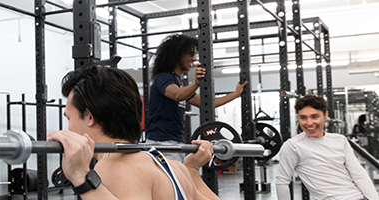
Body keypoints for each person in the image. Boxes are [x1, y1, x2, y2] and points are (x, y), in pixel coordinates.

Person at [48, 65, 220, 199]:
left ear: (90, 117)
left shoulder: (115, 167)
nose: (69, 127)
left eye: (69, 118)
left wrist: (80, 177)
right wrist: (191, 169)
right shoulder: (174, 167)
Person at [145, 34, 247, 162]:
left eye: (195, 54)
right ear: (176, 55)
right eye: (190, 54)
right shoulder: (163, 77)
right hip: (161, 143)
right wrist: (196, 83)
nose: (194, 59)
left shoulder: (180, 82)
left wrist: (236, 94)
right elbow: (176, 95)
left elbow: (208, 103)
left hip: (176, 141)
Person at [275, 95, 379, 200]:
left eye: (314, 116)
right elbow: (282, 182)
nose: (309, 123)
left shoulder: (340, 140)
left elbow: (358, 174)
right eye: (303, 118)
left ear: (325, 116)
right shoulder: (293, 146)